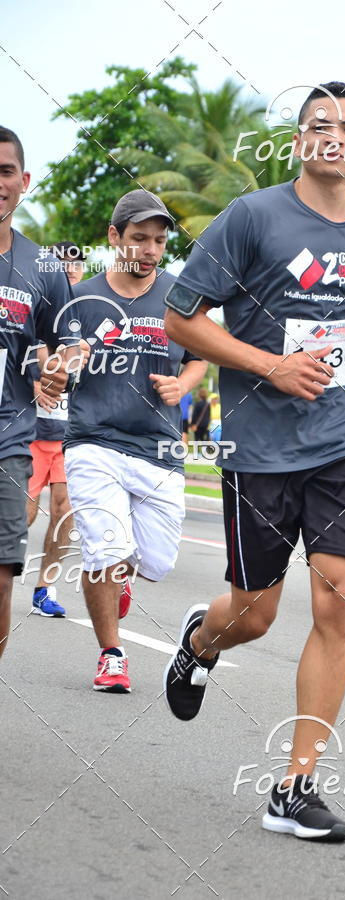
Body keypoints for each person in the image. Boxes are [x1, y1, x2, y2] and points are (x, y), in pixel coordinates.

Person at [162, 82, 345, 841]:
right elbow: (182, 316)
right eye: (318, 126)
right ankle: (201, 641)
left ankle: (294, 787)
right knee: (255, 612)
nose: (333, 136)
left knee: (337, 604)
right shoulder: (253, 217)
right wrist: (269, 365)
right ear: (300, 141)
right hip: (261, 443)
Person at [64, 189, 206, 693]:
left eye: (159, 240)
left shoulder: (178, 294)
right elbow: (51, 360)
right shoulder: (80, 299)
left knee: (156, 563)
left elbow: (200, 354)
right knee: (106, 549)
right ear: (114, 237)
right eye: (140, 238)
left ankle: (119, 575)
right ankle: (112, 653)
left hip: (159, 450)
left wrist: (183, 384)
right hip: (93, 440)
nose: (150, 249)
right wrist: (60, 366)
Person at [0, 126, 87, 658]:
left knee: (4, 573)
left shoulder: (42, 267)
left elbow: (70, 343)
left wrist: (60, 369)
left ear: (24, 180)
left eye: (5, 171)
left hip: (9, 439)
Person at [26, 242, 87, 618]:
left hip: (70, 436)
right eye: (62, 264)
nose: (70, 271)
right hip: (31, 432)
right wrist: (34, 383)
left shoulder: (93, 309)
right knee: (25, 516)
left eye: (75, 265)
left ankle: (44, 588)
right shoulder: (39, 304)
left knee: (63, 512)